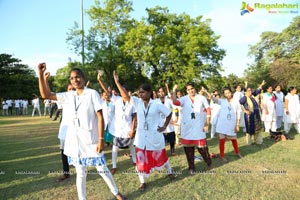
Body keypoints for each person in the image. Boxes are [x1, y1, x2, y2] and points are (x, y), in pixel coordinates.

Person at [37, 63, 125, 200]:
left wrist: (101, 140)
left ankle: (116, 193)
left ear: (83, 78)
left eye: (77, 77)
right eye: (72, 78)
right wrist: (40, 74)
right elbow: (46, 94)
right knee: (81, 172)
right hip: (75, 141)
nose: (75, 80)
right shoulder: (68, 95)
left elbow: (100, 117)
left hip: (91, 139)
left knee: (102, 168)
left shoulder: (92, 94)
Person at [113, 71, 175, 191]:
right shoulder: (137, 103)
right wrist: (117, 82)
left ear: (149, 92)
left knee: (162, 157)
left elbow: (169, 113)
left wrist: (164, 127)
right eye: (139, 92)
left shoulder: (156, 104)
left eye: (143, 92)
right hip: (141, 138)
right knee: (140, 160)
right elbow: (125, 96)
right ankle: (142, 182)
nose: (140, 94)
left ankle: (170, 172)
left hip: (154, 137)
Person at [97, 71, 137, 175]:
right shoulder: (117, 100)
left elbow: (134, 117)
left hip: (128, 129)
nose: (123, 93)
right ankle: (114, 166)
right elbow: (107, 91)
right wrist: (100, 80)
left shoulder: (132, 101)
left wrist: (133, 130)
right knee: (115, 148)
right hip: (117, 129)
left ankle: (135, 161)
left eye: (125, 91)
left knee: (131, 146)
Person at [172, 83, 212, 175]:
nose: (191, 91)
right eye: (188, 89)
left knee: (203, 149)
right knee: (188, 150)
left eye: (192, 88)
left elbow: (208, 109)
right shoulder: (184, 99)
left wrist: (207, 123)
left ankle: (208, 162)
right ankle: (191, 167)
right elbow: (175, 102)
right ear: (186, 91)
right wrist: (174, 90)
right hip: (187, 128)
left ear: (195, 88)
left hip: (199, 127)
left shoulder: (201, 98)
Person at [213, 87, 243, 162]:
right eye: (226, 93)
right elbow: (215, 100)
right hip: (222, 124)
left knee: (233, 139)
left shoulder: (236, 101)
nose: (228, 94)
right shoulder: (222, 101)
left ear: (231, 92)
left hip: (232, 123)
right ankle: (222, 155)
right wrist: (208, 94)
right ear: (224, 94)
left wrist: (237, 125)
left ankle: (237, 152)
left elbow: (238, 113)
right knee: (222, 139)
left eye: (228, 92)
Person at [239, 80, 265, 145]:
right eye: (248, 91)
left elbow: (257, 90)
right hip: (249, 116)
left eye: (251, 90)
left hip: (256, 115)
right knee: (249, 129)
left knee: (257, 128)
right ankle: (249, 142)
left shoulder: (253, 96)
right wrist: (245, 111)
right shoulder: (244, 98)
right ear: (246, 92)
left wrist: (261, 84)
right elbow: (238, 104)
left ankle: (258, 141)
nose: (250, 91)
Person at [157, 86, 177, 156]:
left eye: (162, 91)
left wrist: (175, 118)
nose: (161, 93)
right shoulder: (155, 101)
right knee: (161, 139)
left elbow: (175, 108)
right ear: (157, 93)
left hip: (169, 121)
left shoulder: (168, 100)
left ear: (164, 92)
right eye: (159, 92)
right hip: (159, 123)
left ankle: (172, 149)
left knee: (171, 137)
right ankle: (162, 151)